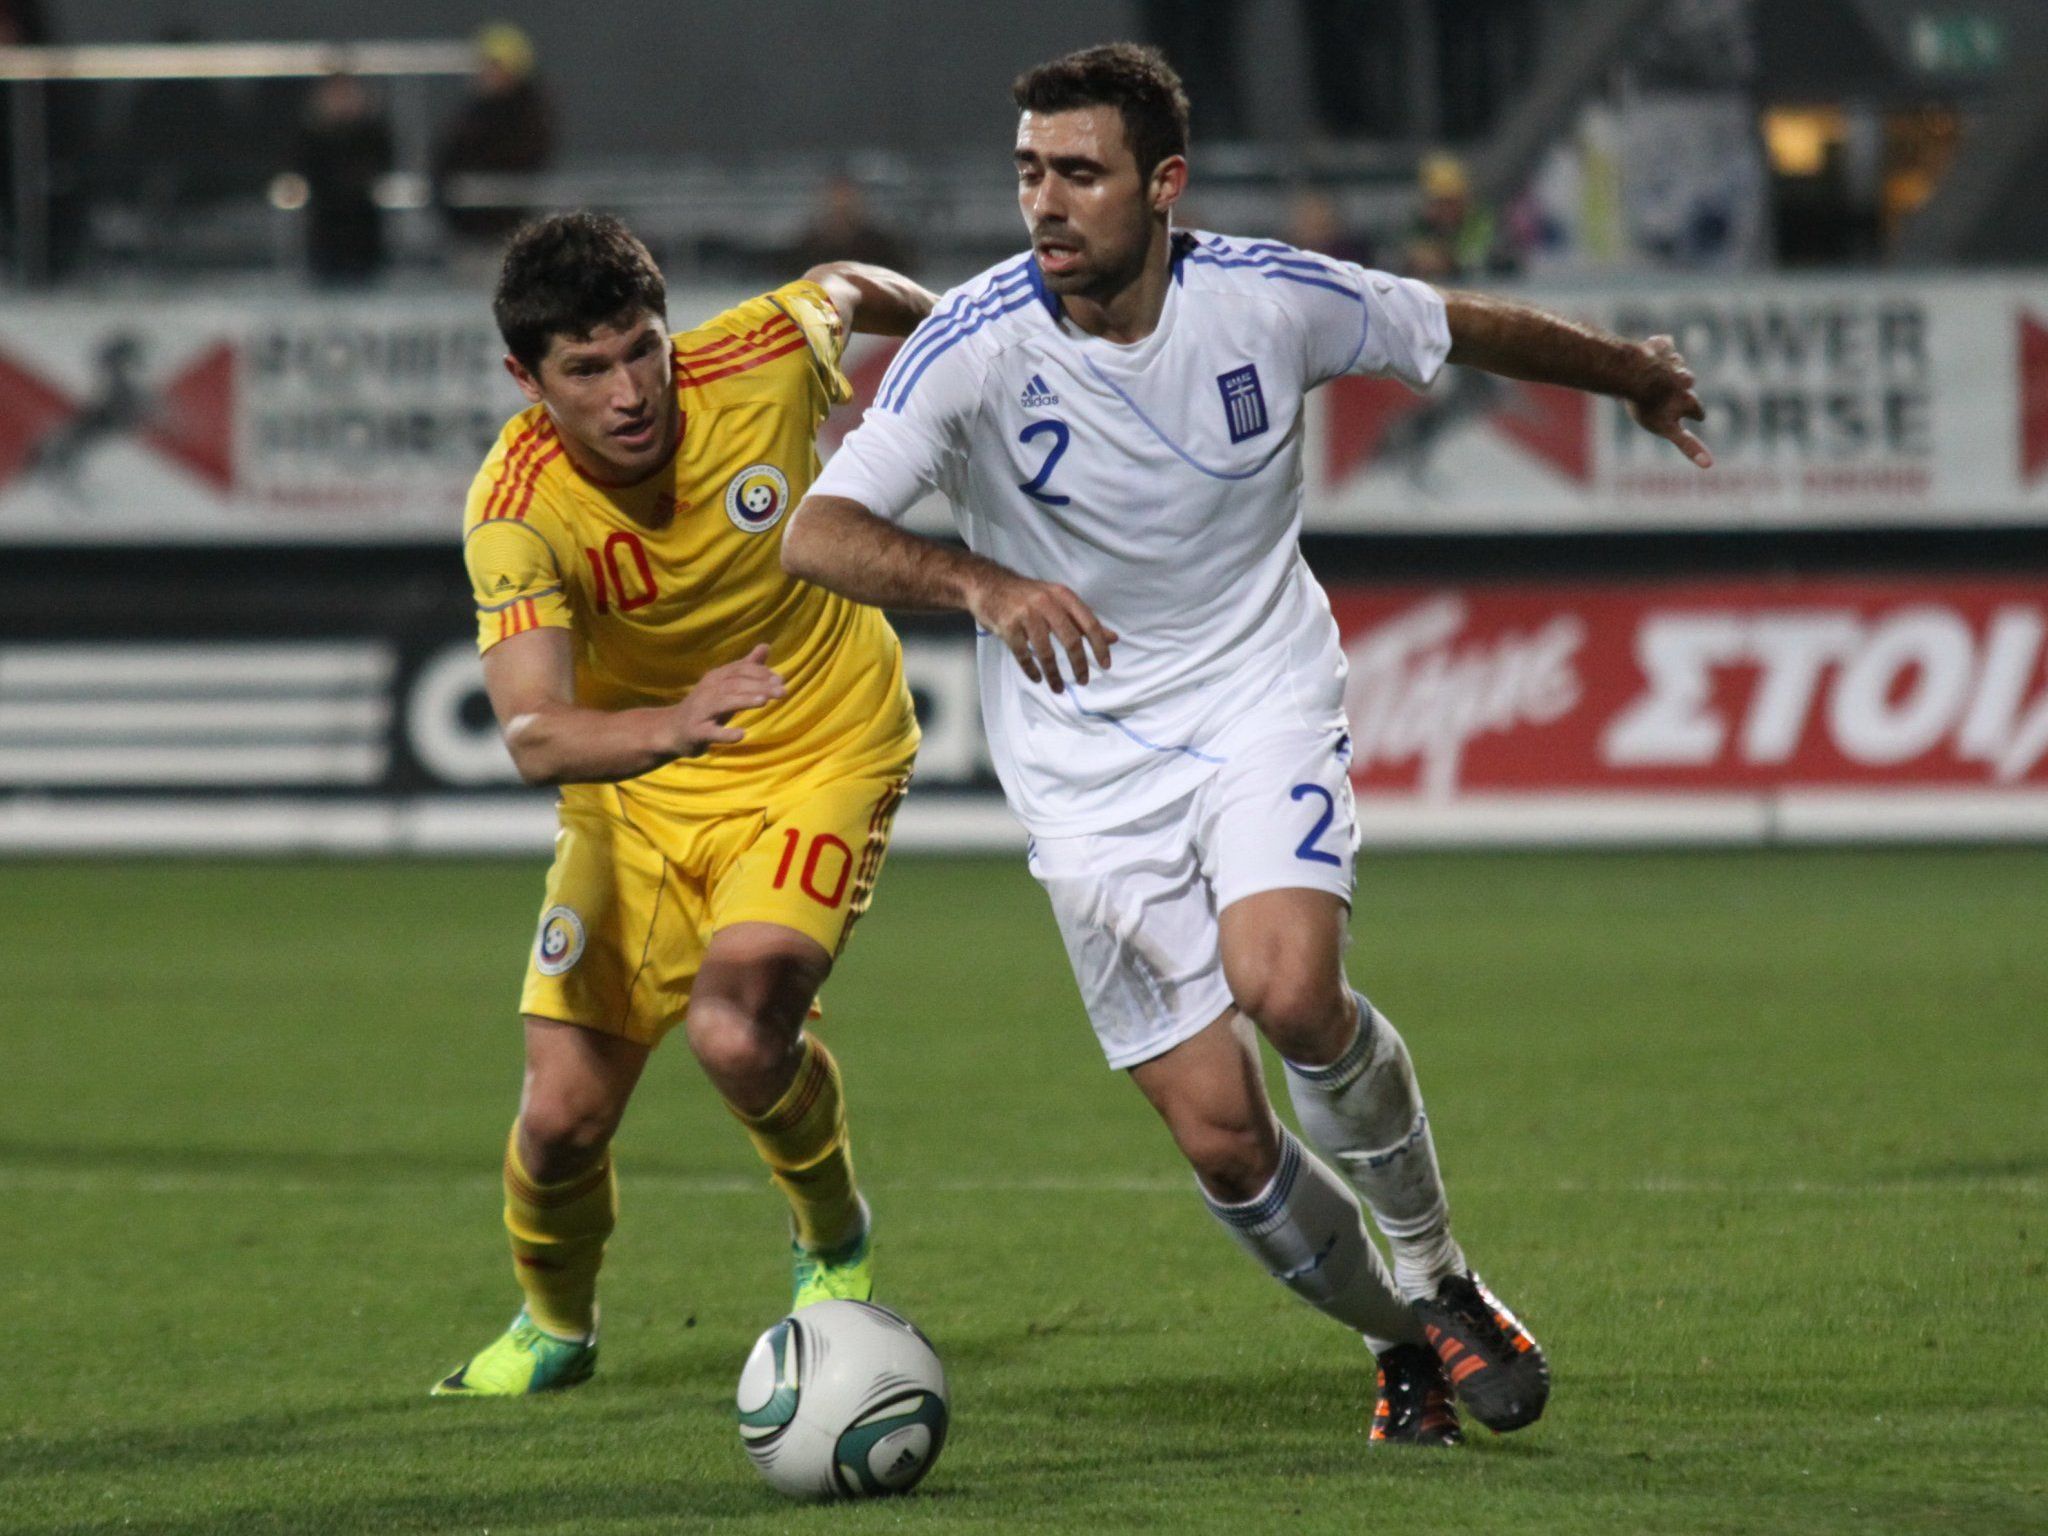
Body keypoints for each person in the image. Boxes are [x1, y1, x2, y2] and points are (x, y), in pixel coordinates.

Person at [783, 43, 1709, 1446]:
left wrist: (1628, 371)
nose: (1046, 202)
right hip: (1084, 774)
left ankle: (1437, 1273)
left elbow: (1454, 327)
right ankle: (1400, 1340)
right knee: (1222, 1137)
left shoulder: (1268, 300)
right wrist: (982, 585)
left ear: (1164, 183)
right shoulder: (971, 345)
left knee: (1288, 992)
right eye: (1029, 171)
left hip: (1254, 701)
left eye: (1080, 172)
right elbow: (817, 533)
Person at [432, 212, 934, 1396]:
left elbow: (844, 284)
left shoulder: (759, 359)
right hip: (638, 796)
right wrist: (673, 723)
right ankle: (556, 1328)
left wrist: (976, 330)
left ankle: (832, 1238)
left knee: (735, 1031)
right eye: (585, 369)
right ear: (526, 378)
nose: (628, 393)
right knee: (559, 1120)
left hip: (819, 747)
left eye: (641, 350)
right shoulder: (515, 509)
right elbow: (533, 732)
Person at [431, 23, 554, 255]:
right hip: (468, 230)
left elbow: (519, 160)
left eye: (493, 65)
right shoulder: (474, 111)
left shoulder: (529, 115)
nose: (485, 73)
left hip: (506, 228)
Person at [293, 70, 394, 287]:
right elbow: (305, 168)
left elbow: (380, 165)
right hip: (326, 231)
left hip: (362, 231)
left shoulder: (371, 132)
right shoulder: (312, 135)